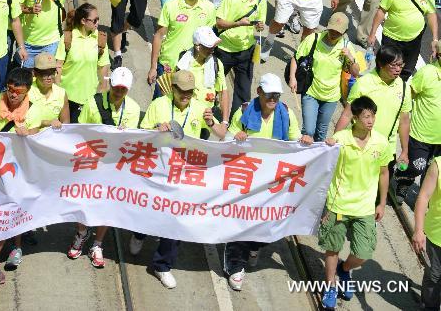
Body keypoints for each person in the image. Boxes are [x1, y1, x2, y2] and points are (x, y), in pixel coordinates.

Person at [222, 73, 309, 291]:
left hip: (273, 181)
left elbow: (295, 140)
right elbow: (224, 143)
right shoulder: (243, 112)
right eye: (269, 94)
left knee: (267, 220)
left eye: (277, 95)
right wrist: (236, 136)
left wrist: (305, 141)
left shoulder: (287, 114)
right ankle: (235, 266)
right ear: (259, 92)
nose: (273, 99)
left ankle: (255, 245)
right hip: (247, 179)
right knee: (241, 222)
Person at [129, 69, 209, 289]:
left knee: (176, 222)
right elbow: (142, 133)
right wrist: (157, 129)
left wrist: (211, 124)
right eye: (182, 91)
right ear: (172, 88)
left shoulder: (201, 107)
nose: (186, 95)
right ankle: (139, 233)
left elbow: (221, 133)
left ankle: (162, 266)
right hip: (158, 171)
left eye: (190, 92)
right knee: (151, 210)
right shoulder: (159, 105)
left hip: (184, 175)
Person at [319, 96, 392, 309]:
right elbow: (322, 162)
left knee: (363, 253)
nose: (371, 120)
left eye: (373, 115)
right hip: (339, 205)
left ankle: (344, 269)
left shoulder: (381, 141)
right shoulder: (340, 139)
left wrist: (382, 202)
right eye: (366, 116)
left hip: (365, 207)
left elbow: (384, 172)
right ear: (355, 119)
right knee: (332, 247)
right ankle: (330, 286)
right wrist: (327, 145)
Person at [67, 66, 141, 267]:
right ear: (110, 85)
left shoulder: (133, 109)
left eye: (123, 89)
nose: (119, 92)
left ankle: (98, 243)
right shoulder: (93, 103)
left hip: (115, 166)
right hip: (92, 161)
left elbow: (130, 141)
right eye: (116, 87)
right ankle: (81, 233)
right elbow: (81, 131)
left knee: (108, 204)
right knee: (85, 199)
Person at [0, 67, 45, 282]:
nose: (13, 95)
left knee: (10, 211)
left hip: (17, 170)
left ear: (28, 91)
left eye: (19, 92)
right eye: (10, 90)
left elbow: (40, 139)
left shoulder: (35, 109)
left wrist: (30, 134)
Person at [335, 45, 411, 170]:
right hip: (359, 146)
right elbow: (347, 115)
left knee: (381, 188)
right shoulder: (363, 84)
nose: (398, 69)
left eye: (400, 65)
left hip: (385, 149)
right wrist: (335, 140)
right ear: (381, 64)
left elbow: (404, 122)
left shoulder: (403, 88)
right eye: (393, 65)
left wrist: (404, 151)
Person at [289, 12, 359, 142]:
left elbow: (356, 72)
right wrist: (292, 78)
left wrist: (350, 58)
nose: (334, 34)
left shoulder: (346, 46)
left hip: (331, 97)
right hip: (311, 92)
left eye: (338, 32)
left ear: (344, 32)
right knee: (308, 131)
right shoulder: (313, 39)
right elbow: (296, 58)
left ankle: (316, 160)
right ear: (327, 26)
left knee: (321, 132)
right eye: (332, 30)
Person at [148, 0, 216, 90]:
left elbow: (209, 41)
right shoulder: (170, 6)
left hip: (193, 67)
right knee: (161, 103)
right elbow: (158, 36)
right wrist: (153, 67)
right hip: (169, 64)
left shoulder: (209, 8)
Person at [369, 0, 437, 80]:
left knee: (406, 70)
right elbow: (381, 11)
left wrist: (435, 38)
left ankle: (398, 90)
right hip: (392, 39)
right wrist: (372, 34)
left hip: (414, 41)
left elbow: (431, 14)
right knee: (387, 69)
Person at [215, 0, 266, 112]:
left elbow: (258, 22)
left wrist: (259, 26)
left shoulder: (261, 1)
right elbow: (219, 23)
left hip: (246, 51)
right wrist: (238, 24)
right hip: (224, 50)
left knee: (243, 93)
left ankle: (236, 124)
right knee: (212, 86)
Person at [395, 53, 441, 205]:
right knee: (416, 168)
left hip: (439, 141)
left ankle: (423, 200)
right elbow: (410, 94)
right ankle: (403, 180)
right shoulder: (427, 72)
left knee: (432, 172)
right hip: (421, 134)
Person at [55, 3, 110, 121]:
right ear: (83, 21)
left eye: (98, 19)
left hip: (91, 99)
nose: (97, 23)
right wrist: (57, 90)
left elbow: (104, 66)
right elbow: (58, 66)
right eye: (94, 20)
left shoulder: (101, 39)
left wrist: (104, 87)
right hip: (67, 98)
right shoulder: (68, 38)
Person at [177, 27, 230, 135]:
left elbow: (223, 92)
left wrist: (224, 122)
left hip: (206, 118)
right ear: (197, 46)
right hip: (184, 117)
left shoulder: (216, 63)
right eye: (208, 46)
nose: (212, 50)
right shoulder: (182, 63)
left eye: (213, 46)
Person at [413, 155, 441, 310]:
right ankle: (429, 306)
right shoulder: (438, 165)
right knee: (433, 276)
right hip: (437, 237)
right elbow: (423, 197)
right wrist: (418, 230)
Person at [28, 52, 69, 127]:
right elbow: (20, 120)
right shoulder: (26, 90)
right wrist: (46, 123)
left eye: (52, 72)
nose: (49, 77)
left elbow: (65, 123)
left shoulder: (62, 93)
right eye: (45, 73)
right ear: (35, 73)